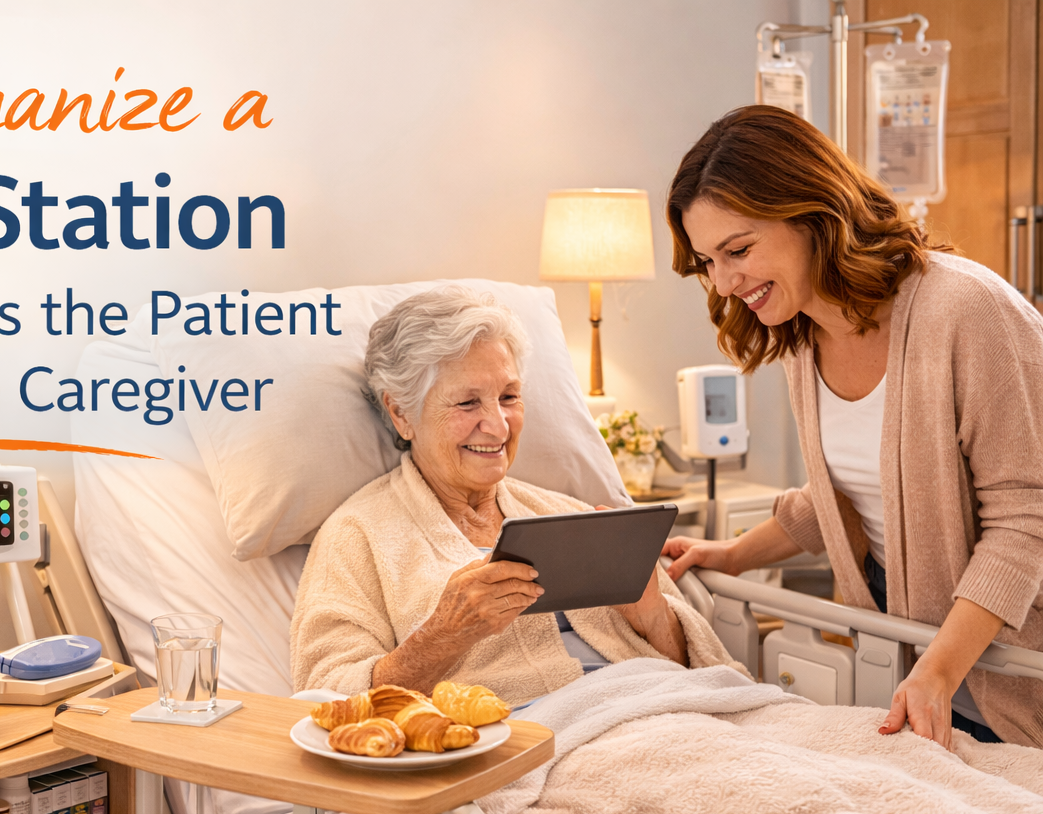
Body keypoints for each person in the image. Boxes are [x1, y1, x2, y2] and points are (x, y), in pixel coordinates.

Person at [662, 105, 1043, 749]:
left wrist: (939, 670)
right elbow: (845, 495)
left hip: (1003, 653)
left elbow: (1026, 519)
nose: (724, 283)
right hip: (909, 643)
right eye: (708, 262)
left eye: (739, 250)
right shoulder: (802, 337)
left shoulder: (967, 310)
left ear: (813, 213)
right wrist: (730, 556)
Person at [289, 287, 741, 704]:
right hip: (537, 741)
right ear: (401, 412)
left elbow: (707, 668)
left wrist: (651, 615)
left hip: (667, 708)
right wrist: (444, 634)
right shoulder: (357, 536)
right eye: (468, 403)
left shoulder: (570, 514)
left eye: (508, 397)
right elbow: (329, 699)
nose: (499, 426)